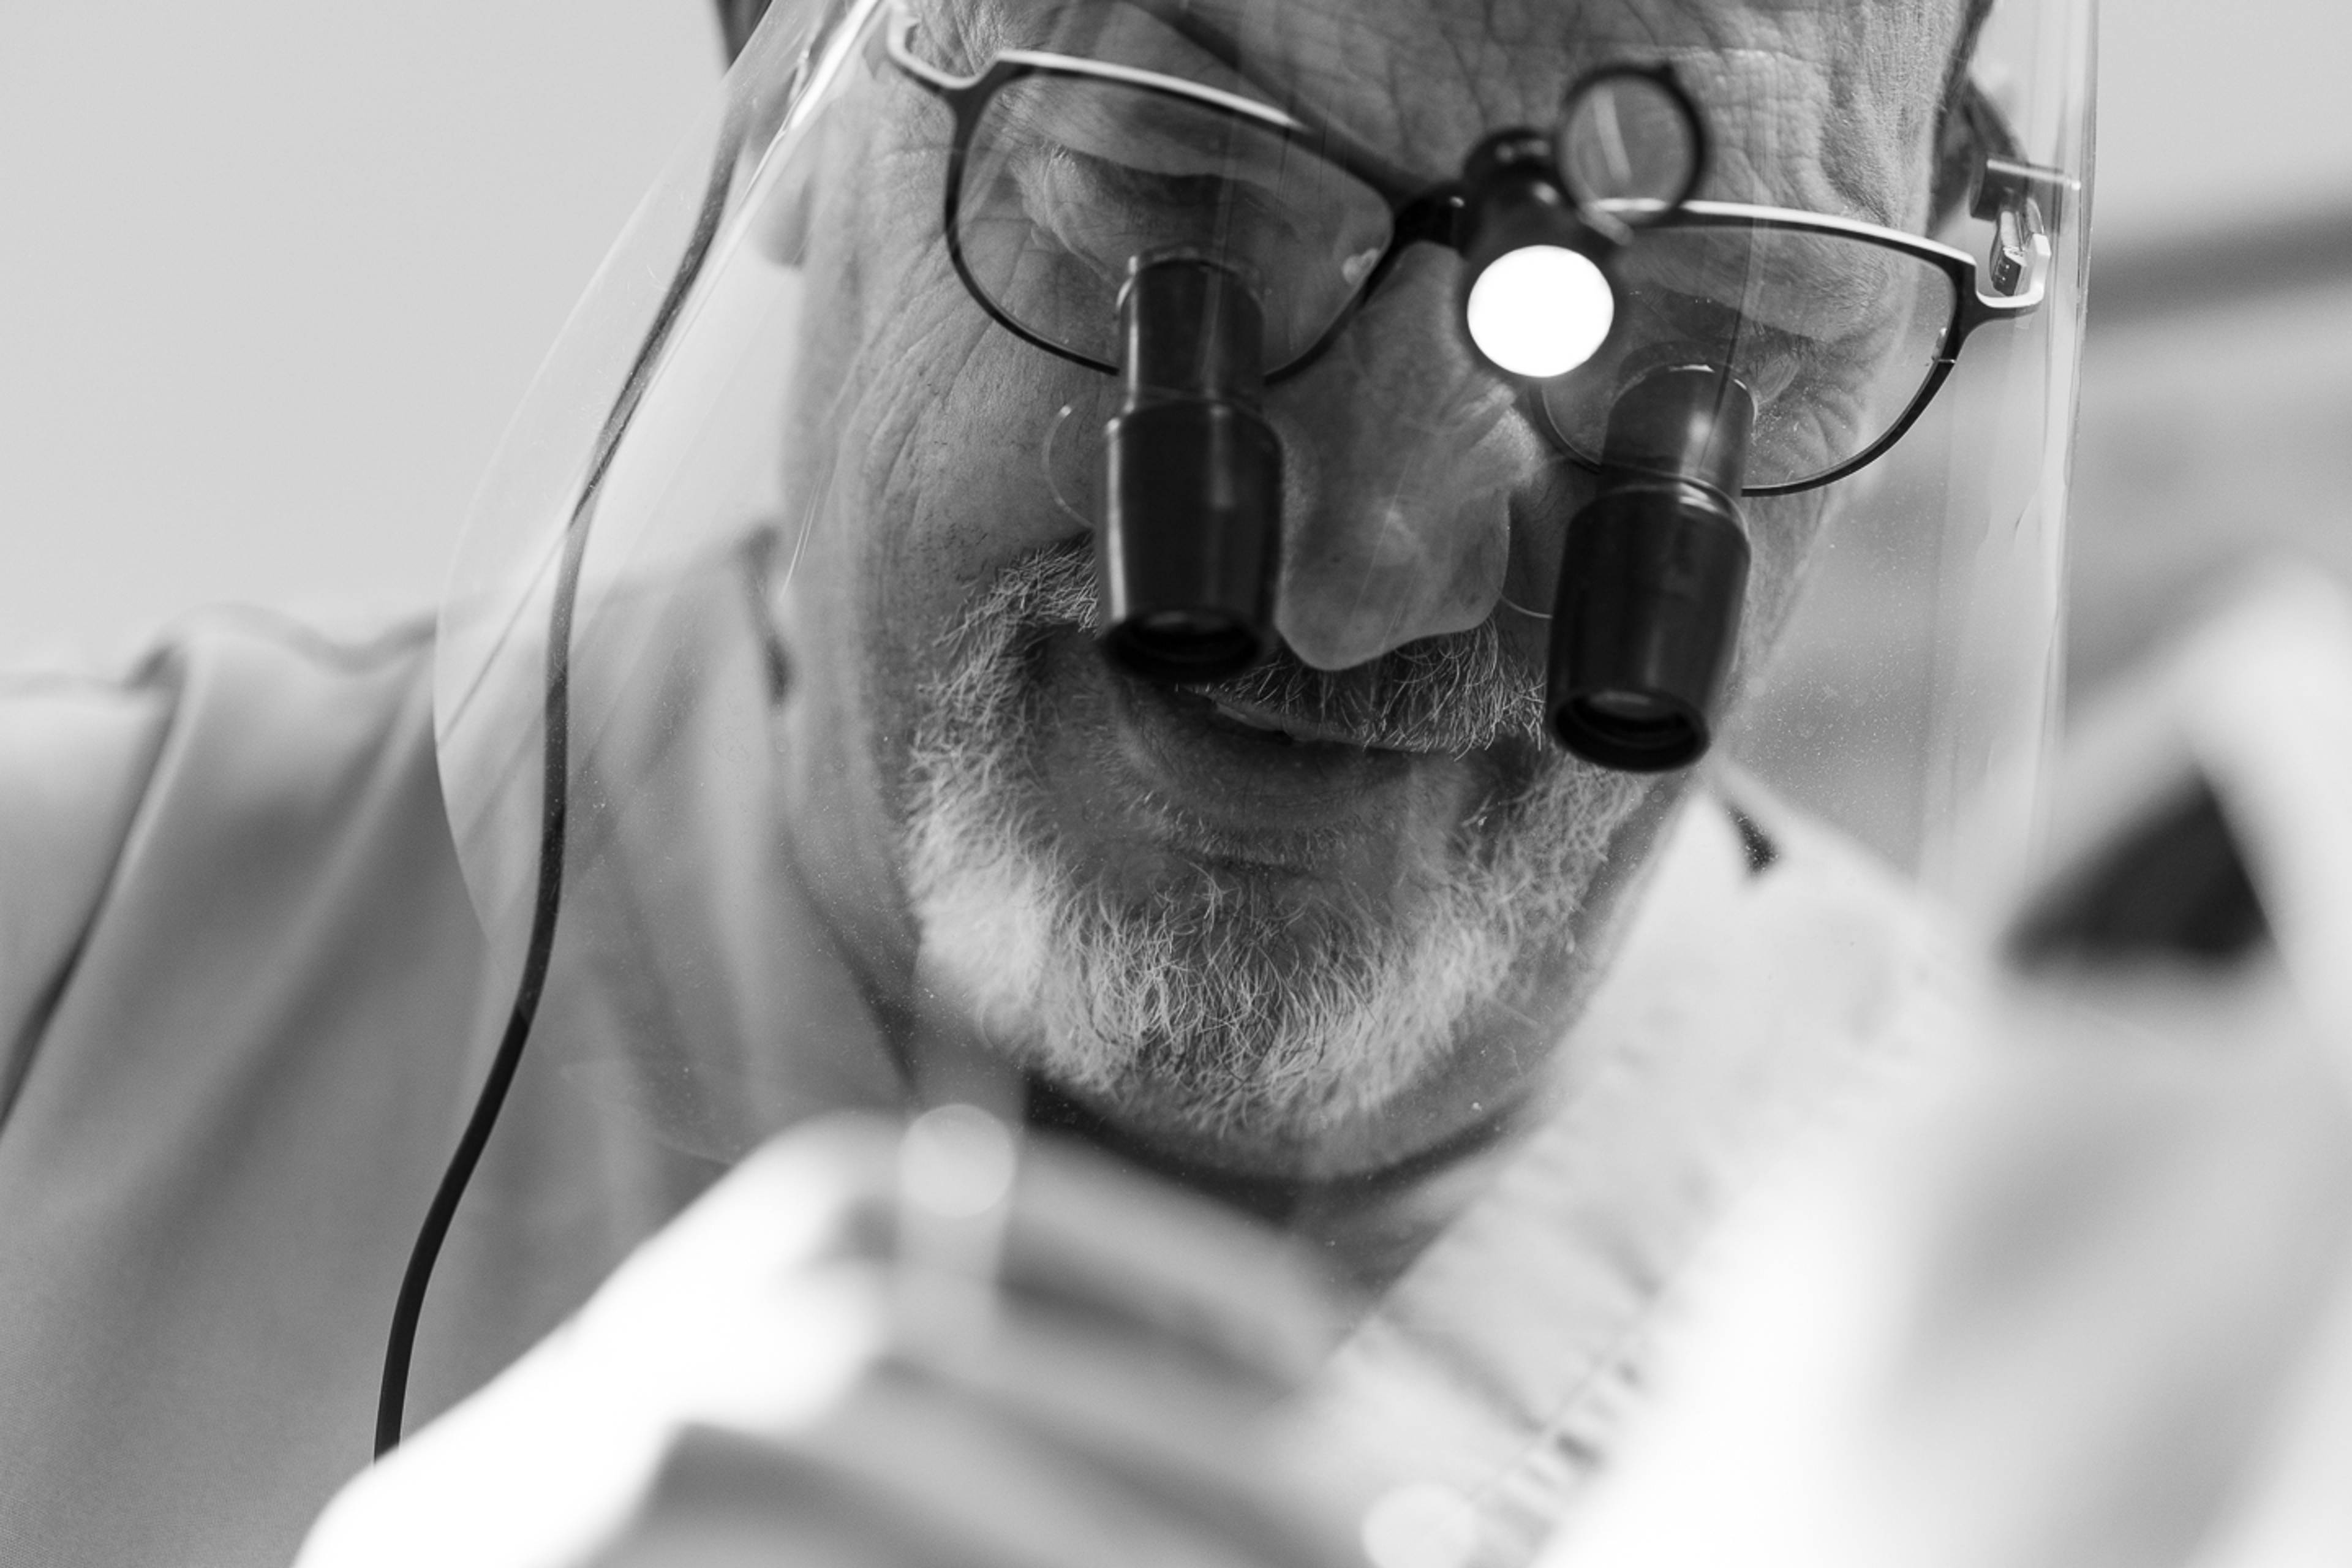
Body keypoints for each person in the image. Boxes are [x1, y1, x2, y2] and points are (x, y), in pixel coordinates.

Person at [0, 0, 2090, 1563]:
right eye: (1170, 206)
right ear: (794, 92)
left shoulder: (2157, 1338)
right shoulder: (61, 947)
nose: (1363, 580)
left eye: (1712, 339)